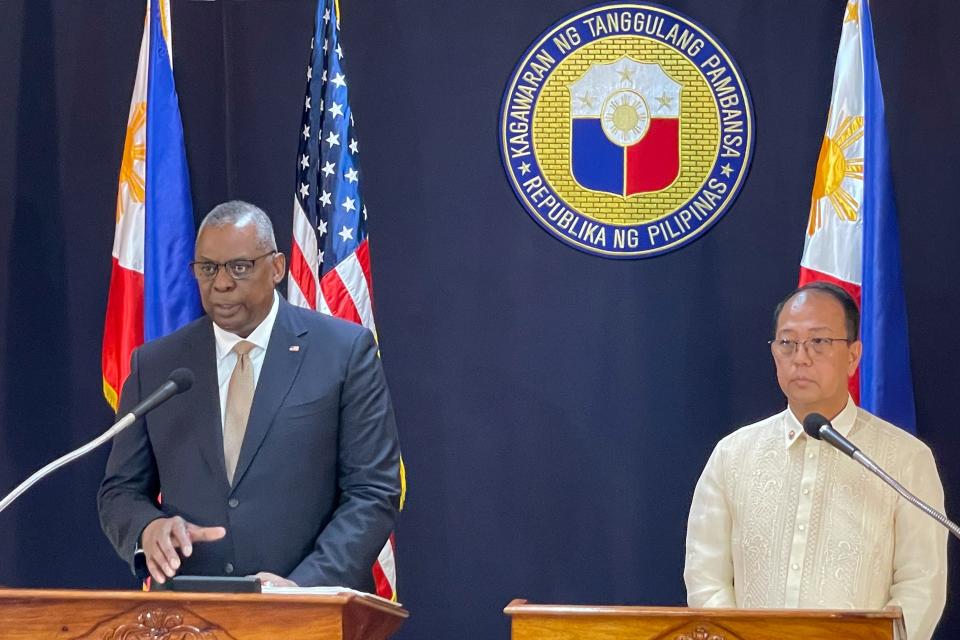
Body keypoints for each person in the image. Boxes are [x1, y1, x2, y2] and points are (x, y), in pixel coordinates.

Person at [98, 201, 401, 591]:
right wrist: (147, 528)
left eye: (239, 267)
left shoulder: (343, 352)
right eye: (207, 269)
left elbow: (373, 491)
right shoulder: (157, 365)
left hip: (311, 609)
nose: (221, 284)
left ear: (276, 268)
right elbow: (120, 490)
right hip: (190, 612)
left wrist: (306, 586)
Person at [684, 282, 947, 640]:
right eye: (787, 343)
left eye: (819, 342)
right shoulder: (733, 455)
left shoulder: (905, 459)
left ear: (853, 356)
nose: (801, 357)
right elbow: (706, 577)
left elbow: (921, 585)